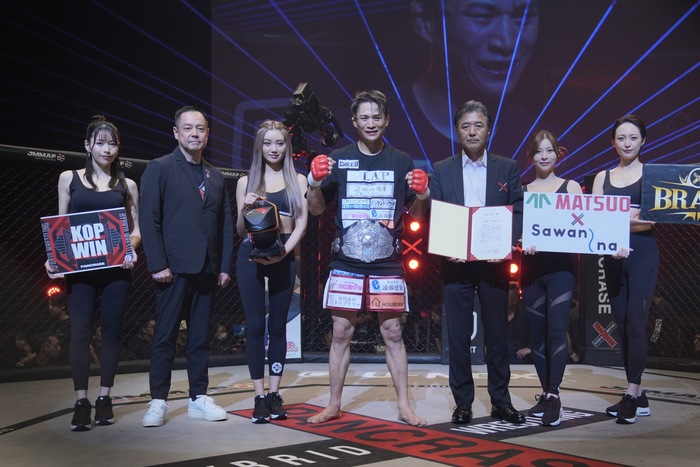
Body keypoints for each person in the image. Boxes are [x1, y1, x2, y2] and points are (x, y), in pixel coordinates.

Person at [306, 90, 428, 427]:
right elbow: (316, 210)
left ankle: (404, 406)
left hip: (387, 263)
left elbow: (417, 213)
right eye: (364, 117)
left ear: (386, 121)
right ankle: (333, 404)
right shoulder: (339, 158)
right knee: (340, 332)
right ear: (354, 122)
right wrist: (313, 183)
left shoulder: (401, 160)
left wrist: (424, 194)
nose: (371, 123)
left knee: (393, 333)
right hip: (346, 262)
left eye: (377, 117)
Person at [412, 100, 525, 425]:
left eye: (478, 125)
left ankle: (501, 401)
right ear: (457, 132)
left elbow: (518, 209)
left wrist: (505, 243)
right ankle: (463, 403)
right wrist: (447, 245)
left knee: (497, 335)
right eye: (465, 126)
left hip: (494, 263)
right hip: (455, 263)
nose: (472, 131)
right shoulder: (442, 168)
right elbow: (434, 213)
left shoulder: (507, 167)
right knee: (458, 337)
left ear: (488, 130)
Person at [139, 105, 234, 427]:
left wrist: (224, 266)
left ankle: (198, 397)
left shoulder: (215, 175)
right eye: (188, 128)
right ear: (176, 132)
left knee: (200, 338)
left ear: (208, 134)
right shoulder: (160, 168)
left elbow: (225, 224)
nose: (195, 133)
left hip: (207, 269)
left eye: (201, 128)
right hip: (173, 269)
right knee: (165, 336)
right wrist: (157, 264)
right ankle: (158, 400)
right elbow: (149, 219)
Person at [44, 115, 140, 431]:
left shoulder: (127, 185)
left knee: (111, 332)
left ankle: (104, 399)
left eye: (112, 143)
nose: (107, 149)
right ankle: (81, 402)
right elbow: (60, 227)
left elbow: (136, 230)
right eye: (100, 143)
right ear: (88, 145)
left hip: (116, 270)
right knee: (80, 332)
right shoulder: (68, 178)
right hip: (80, 270)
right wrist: (54, 259)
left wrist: (130, 249)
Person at [235, 120, 308, 424]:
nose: (273, 149)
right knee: (255, 327)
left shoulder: (298, 181)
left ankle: (275, 394)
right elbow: (240, 230)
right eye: (268, 143)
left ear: (287, 147)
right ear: (259, 146)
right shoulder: (246, 182)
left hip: (283, 256)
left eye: (279, 143)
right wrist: (244, 208)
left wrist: (283, 253)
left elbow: (302, 223)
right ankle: (259, 396)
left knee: (277, 327)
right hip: (250, 257)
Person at [406, 0, 540, 157]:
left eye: (523, 16)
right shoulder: (384, 136)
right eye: (482, 16)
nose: (508, 42)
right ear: (426, 21)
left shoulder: (549, 146)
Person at [591, 115, 657, 425]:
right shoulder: (602, 178)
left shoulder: (652, 175)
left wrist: (617, 221)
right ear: (613, 142)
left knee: (636, 323)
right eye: (621, 138)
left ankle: (631, 394)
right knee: (621, 323)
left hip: (642, 253)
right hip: (612, 256)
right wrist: (628, 219)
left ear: (643, 140)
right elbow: (595, 219)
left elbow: (651, 220)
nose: (627, 143)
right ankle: (639, 395)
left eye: (633, 137)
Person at [519, 130, 582, 426]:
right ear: (531, 156)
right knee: (536, 336)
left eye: (549, 150)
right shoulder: (523, 191)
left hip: (560, 270)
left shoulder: (571, 188)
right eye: (538, 151)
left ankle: (554, 396)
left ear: (558, 153)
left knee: (556, 331)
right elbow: (516, 231)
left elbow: (584, 228)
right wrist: (521, 240)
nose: (544, 156)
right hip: (531, 269)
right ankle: (545, 394)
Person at [506, 282, 531, 364]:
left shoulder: (526, 314)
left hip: (519, 355)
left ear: (515, 300)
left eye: (506, 299)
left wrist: (530, 348)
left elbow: (539, 332)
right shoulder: (496, 315)